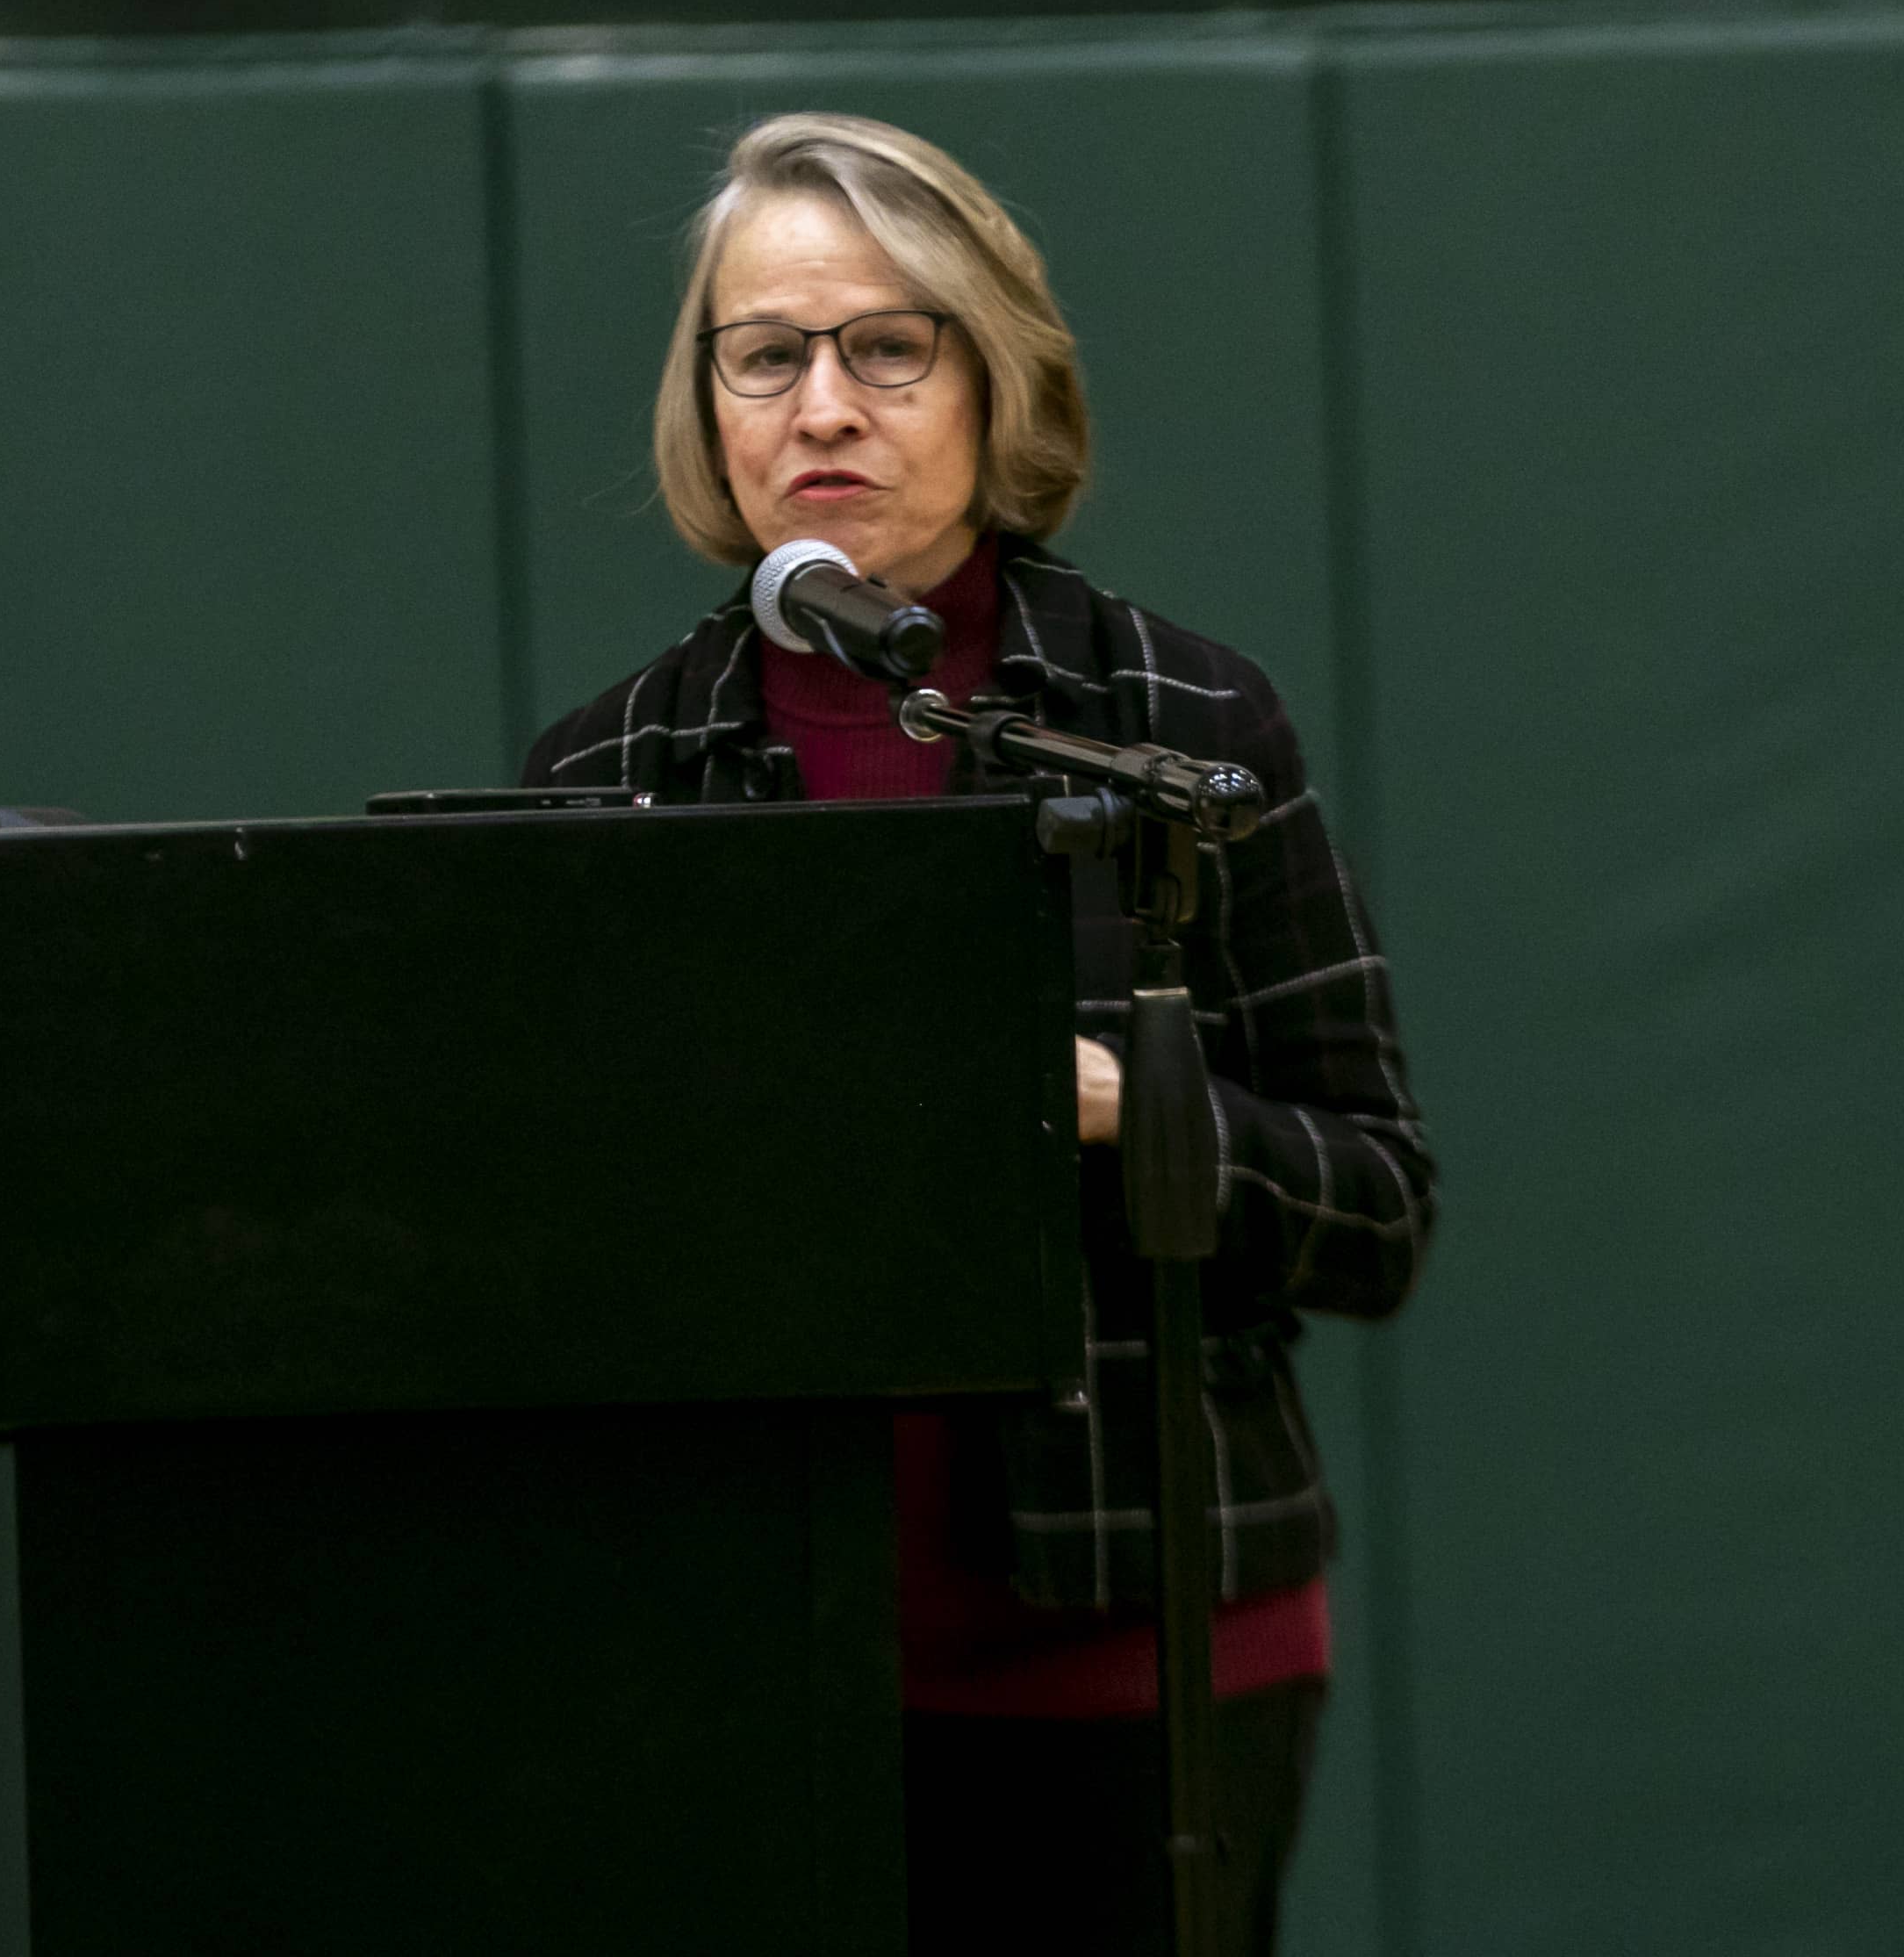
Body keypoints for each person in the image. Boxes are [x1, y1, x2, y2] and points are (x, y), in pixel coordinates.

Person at [521, 112, 1436, 1955]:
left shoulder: (1170, 720)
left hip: (1140, 1654)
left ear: (989, 375)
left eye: (885, 345)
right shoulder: (605, 773)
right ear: (706, 404)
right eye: (765, 354)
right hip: (757, 1663)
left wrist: (1128, 1103)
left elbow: (1372, 1205)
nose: (822, 405)